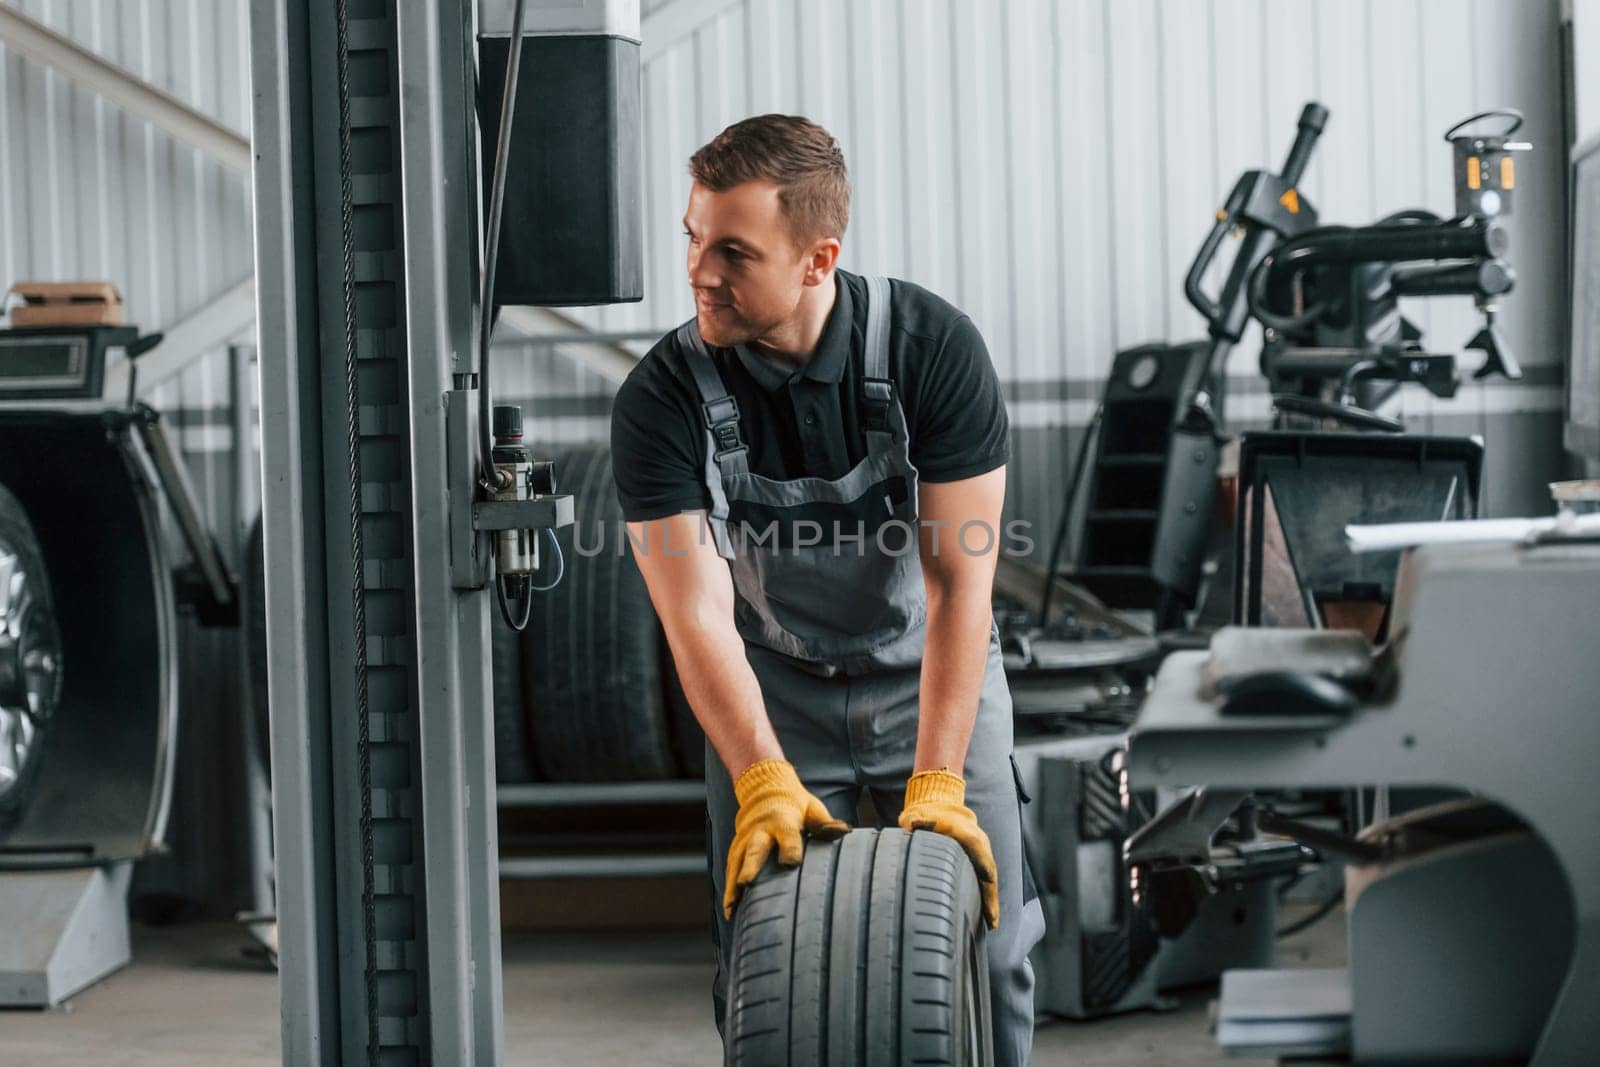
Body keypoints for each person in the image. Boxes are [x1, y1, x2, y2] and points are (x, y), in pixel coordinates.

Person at [610, 113, 1044, 1065]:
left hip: (926, 676)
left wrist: (937, 774)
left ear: (817, 259)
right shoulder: (662, 397)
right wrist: (761, 772)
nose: (698, 271)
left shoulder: (933, 351)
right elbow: (695, 613)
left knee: (994, 939)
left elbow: (959, 584)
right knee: (760, 950)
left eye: (733, 250)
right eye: (693, 237)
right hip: (771, 694)